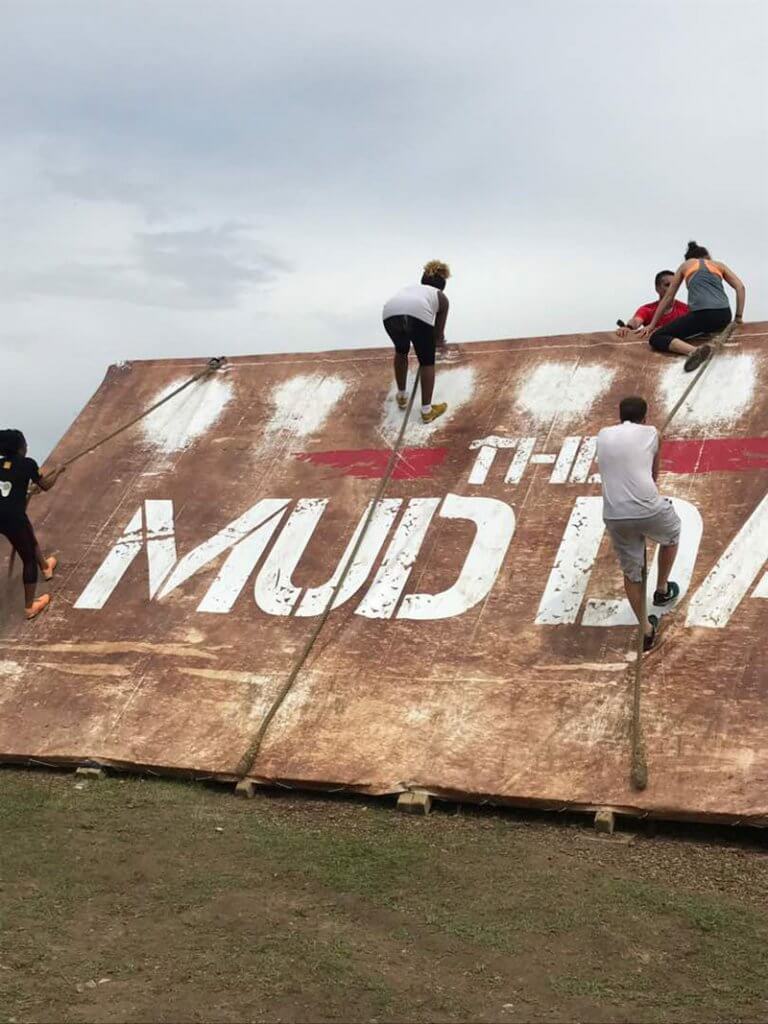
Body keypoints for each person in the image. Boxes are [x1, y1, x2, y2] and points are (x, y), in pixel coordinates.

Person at [596, 397, 681, 652]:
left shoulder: (602, 434)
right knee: (672, 533)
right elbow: (654, 477)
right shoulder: (653, 433)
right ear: (646, 416)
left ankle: (645, 628)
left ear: (619, 415)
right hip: (647, 508)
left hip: (614, 514)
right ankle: (662, 589)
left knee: (632, 573)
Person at [644, 241, 746, 372]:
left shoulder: (686, 265)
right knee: (701, 324)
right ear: (707, 256)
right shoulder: (719, 265)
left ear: (689, 258)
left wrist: (652, 325)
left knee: (657, 338)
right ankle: (701, 346)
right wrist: (738, 317)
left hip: (702, 316)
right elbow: (740, 287)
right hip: (724, 316)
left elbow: (668, 296)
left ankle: (695, 351)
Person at [0, 429, 63, 619]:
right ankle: (30, 607)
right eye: (25, 443)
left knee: (28, 535)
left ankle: (45, 567)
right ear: (20, 448)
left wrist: (24, 491)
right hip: (13, 517)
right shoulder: (27, 464)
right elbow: (46, 485)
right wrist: (58, 470)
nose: (27, 446)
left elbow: (7, 485)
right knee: (28, 559)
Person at [382, 260, 450, 424]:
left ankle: (402, 396)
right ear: (442, 285)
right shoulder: (441, 297)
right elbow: (438, 335)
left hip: (389, 313)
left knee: (401, 350)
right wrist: (439, 343)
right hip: (417, 314)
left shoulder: (409, 288)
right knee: (427, 362)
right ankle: (427, 410)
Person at [615, 270, 689, 337]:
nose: (672, 288)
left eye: (674, 285)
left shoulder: (686, 309)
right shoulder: (647, 309)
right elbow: (636, 321)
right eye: (667, 285)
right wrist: (628, 327)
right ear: (657, 288)